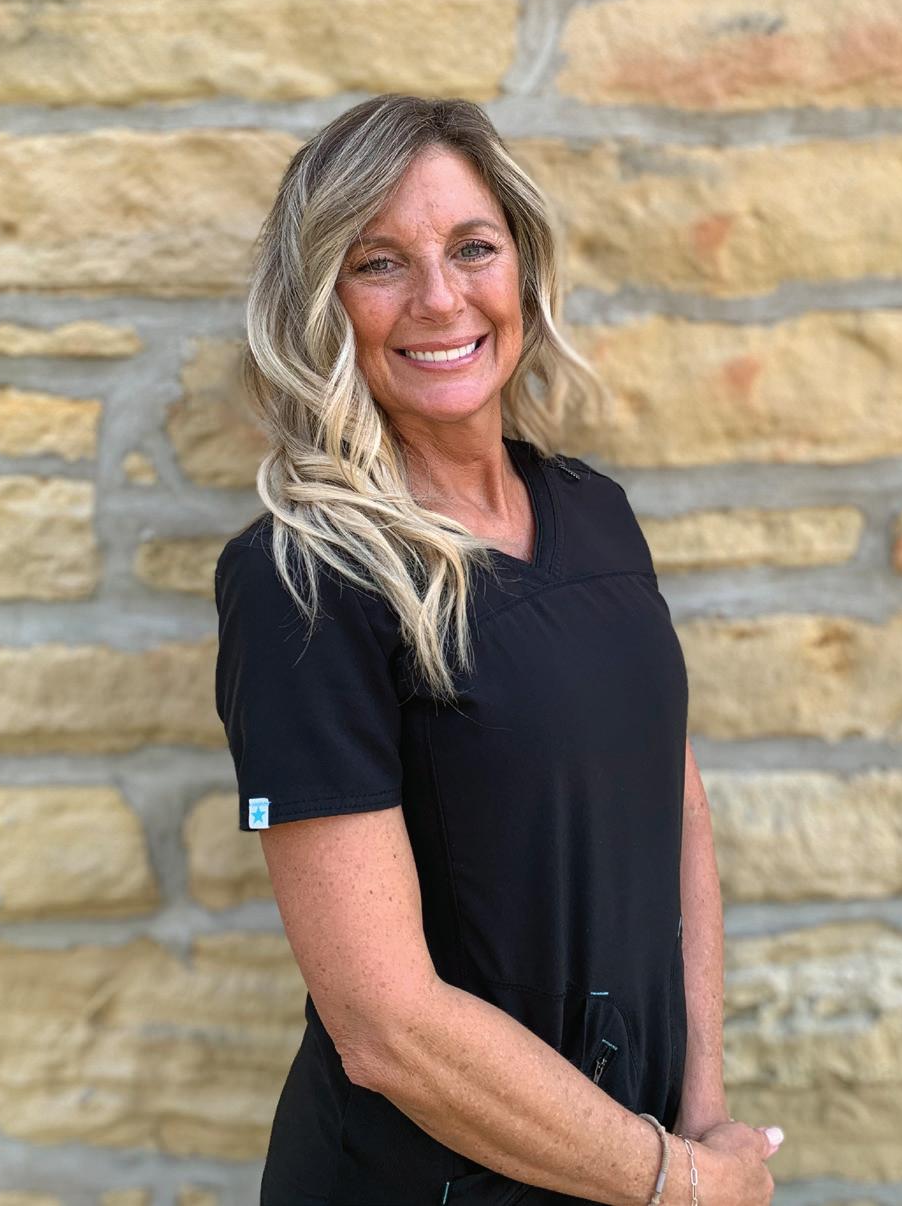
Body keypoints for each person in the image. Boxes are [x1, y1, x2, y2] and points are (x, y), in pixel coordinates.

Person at [214, 94, 783, 1205]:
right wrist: (677, 1181)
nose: (439, 298)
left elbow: (676, 814)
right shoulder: (305, 578)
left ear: (521, 268)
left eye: (472, 248)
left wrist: (703, 1115)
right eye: (379, 263)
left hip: (629, 1163)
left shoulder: (595, 513)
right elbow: (386, 1027)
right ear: (321, 301)